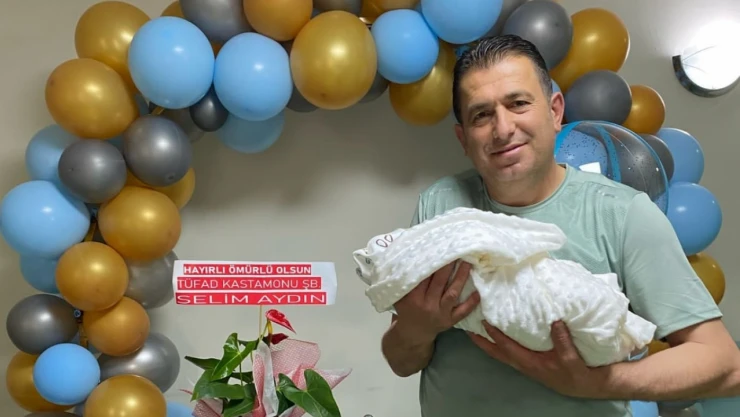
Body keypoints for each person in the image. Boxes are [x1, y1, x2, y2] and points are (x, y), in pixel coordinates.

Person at [379, 34, 740, 417]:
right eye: (481, 115)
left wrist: (596, 383)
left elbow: (725, 364)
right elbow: (401, 362)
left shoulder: (622, 214)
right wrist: (416, 329)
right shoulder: (440, 205)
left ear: (555, 112)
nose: (503, 129)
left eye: (518, 104)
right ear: (463, 138)